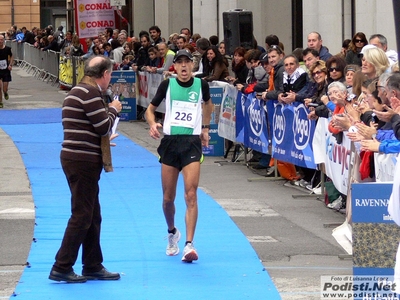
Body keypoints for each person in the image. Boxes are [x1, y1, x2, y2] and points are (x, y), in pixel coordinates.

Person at [49, 56, 122, 283]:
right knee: (82, 215)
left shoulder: (76, 91)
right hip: (83, 161)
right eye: (110, 74)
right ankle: (62, 266)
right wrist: (113, 109)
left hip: (76, 156)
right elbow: (102, 126)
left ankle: (92, 264)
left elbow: (81, 126)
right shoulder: (90, 94)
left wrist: (100, 140)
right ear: (105, 74)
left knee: (92, 214)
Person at [145, 49, 213, 263]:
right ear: (175, 66)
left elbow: (209, 105)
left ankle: (189, 245)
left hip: (191, 143)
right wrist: (152, 123)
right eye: (180, 63)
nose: (183, 67)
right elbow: (150, 109)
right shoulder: (167, 85)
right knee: (168, 199)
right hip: (170, 143)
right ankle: (172, 231)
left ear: (192, 65)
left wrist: (205, 127)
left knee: (191, 194)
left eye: (187, 62)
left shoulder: (201, 85)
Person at [0, 34, 13, 108]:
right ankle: (0, 102)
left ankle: (5, 92)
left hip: (6, 70)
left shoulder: (7, 49)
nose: (0, 41)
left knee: (4, 88)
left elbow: (11, 56)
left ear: (4, 40)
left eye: (1, 40)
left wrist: (10, 65)